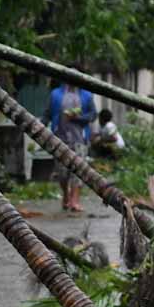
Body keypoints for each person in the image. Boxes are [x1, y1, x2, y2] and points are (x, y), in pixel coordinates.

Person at [46, 78, 95, 212]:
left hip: (80, 139)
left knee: (78, 170)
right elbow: (48, 113)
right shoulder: (55, 94)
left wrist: (77, 118)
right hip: (59, 138)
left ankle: (75, 200)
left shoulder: (86, 95)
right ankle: (66, 195)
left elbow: (92, 114)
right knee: (62, 172)